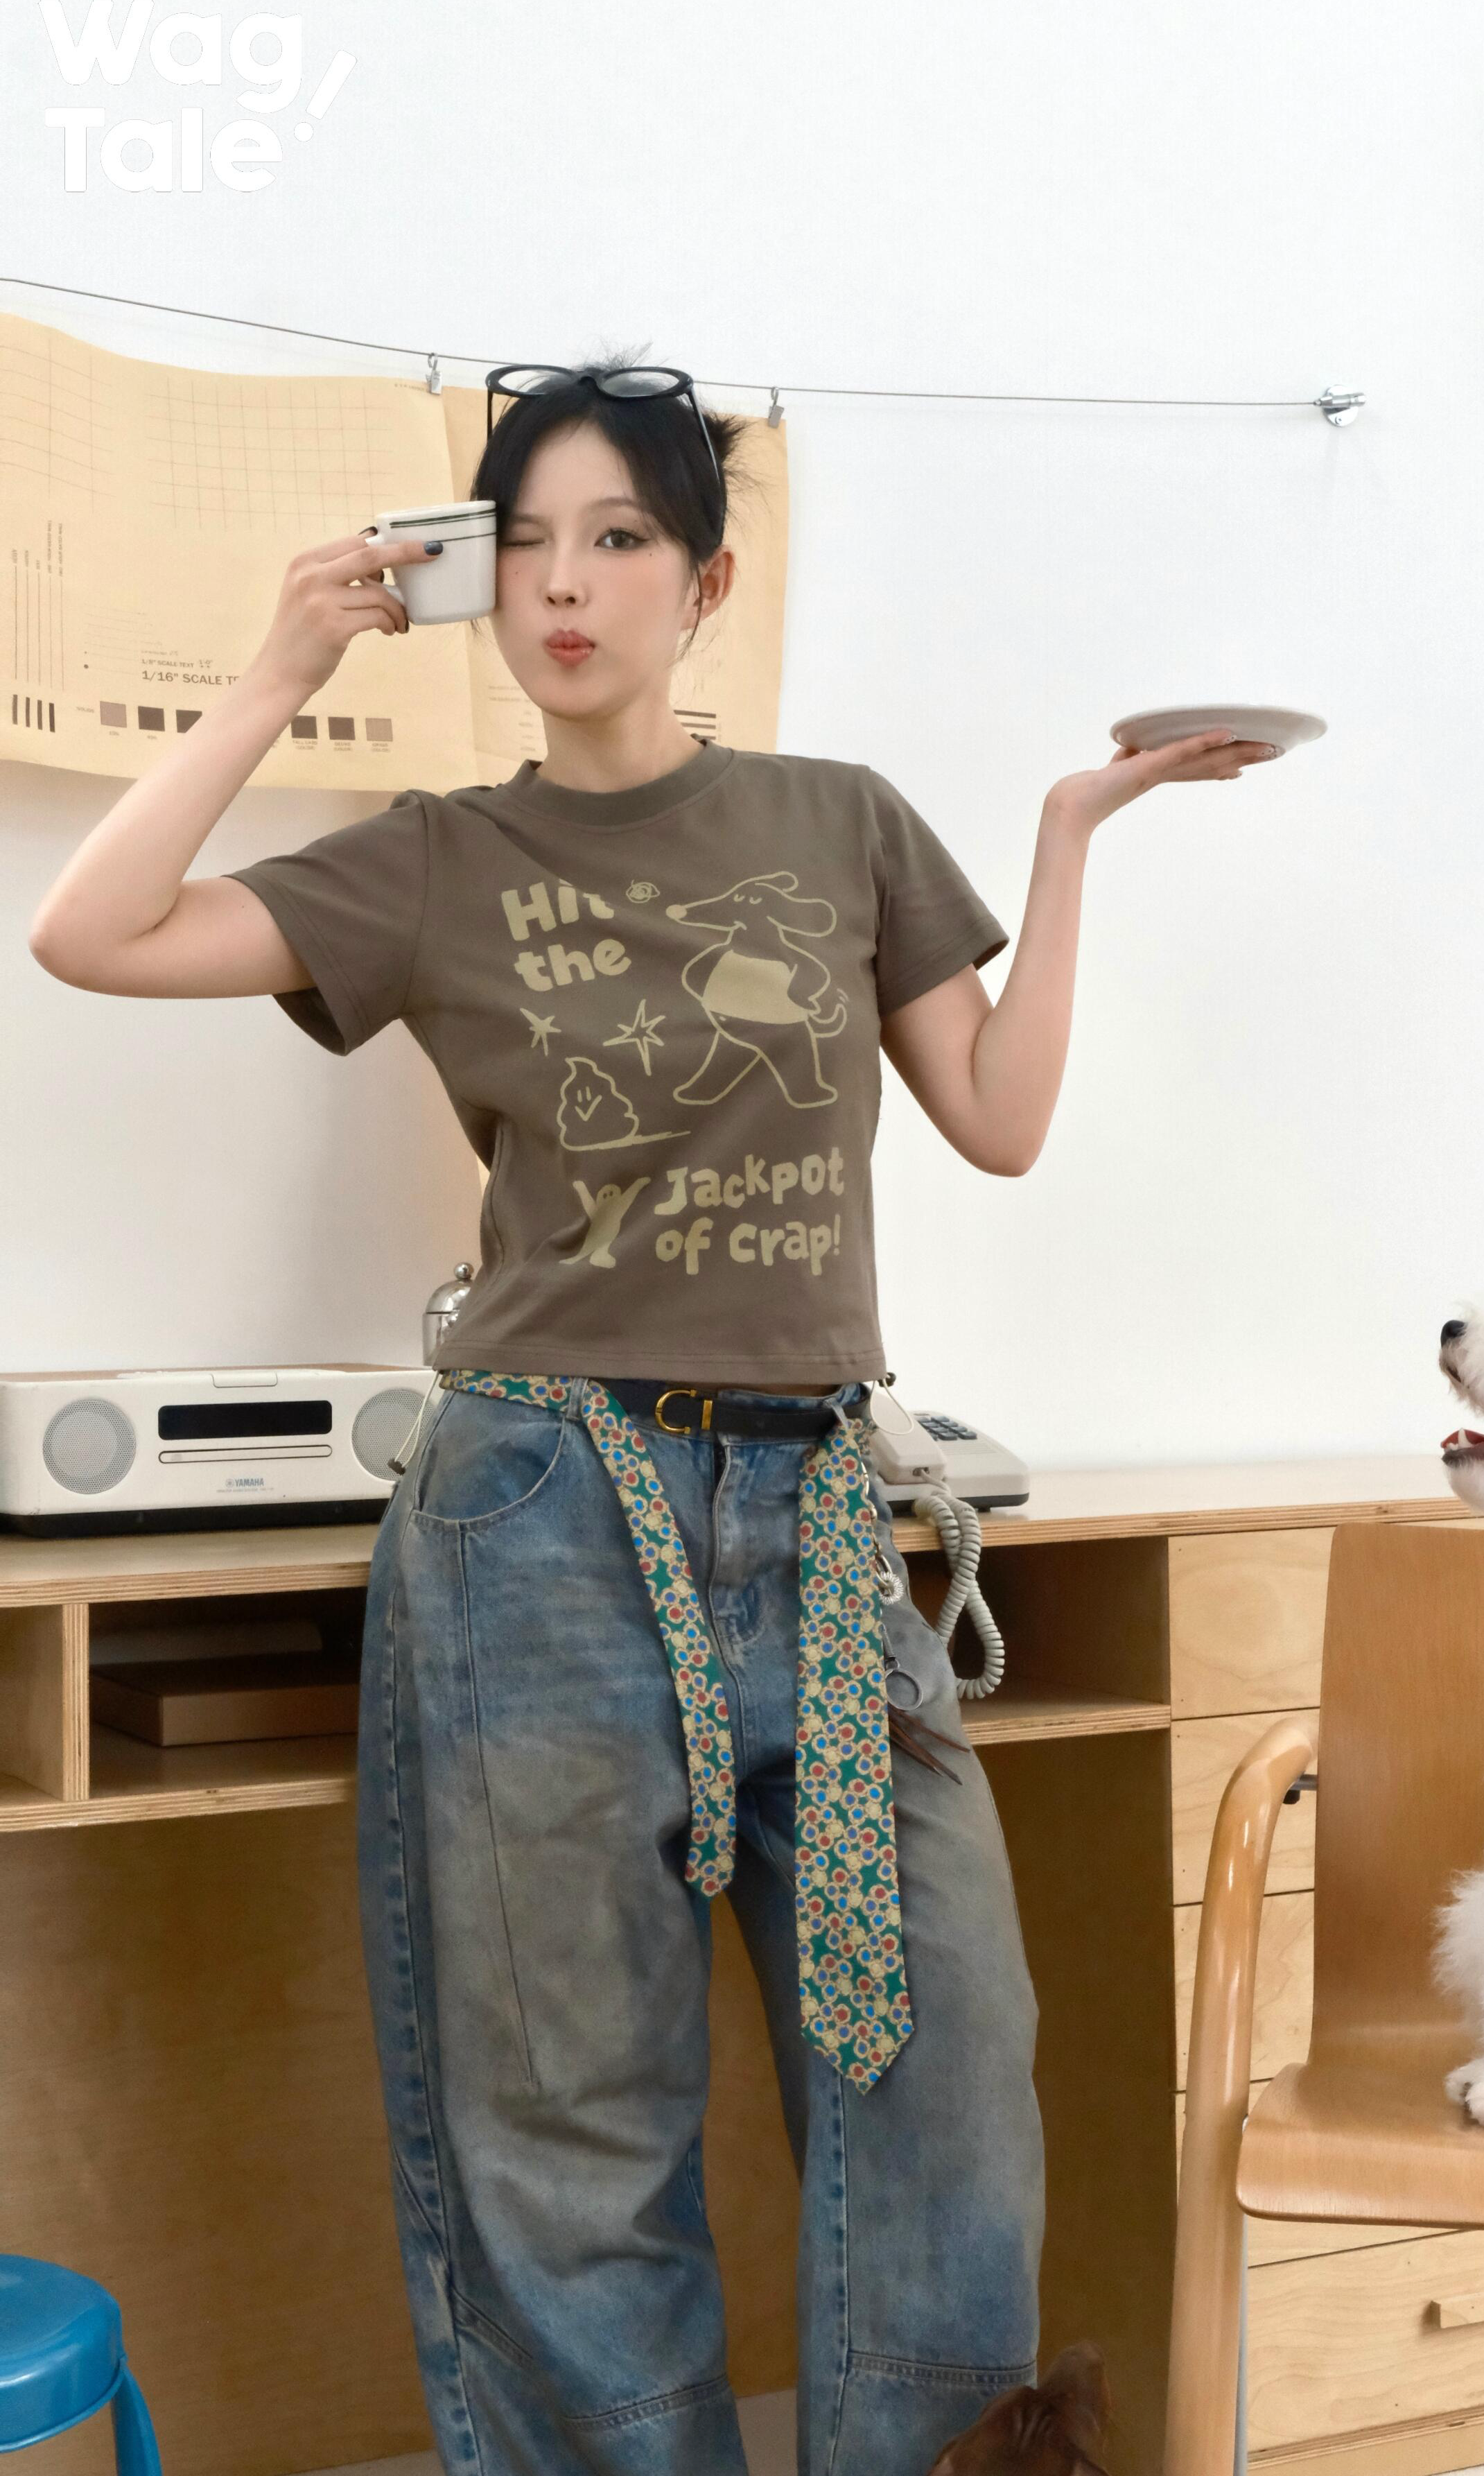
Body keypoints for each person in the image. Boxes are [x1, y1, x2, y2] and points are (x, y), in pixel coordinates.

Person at [26, 355, 1278, 2476]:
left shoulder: (842, 821)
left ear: (705, 582)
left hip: (812, 1505)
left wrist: (1071, 834)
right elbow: (90, 931)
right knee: (566, 2122)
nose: (567, 582)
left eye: (618, 538)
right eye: (524, 542)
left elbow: (999, 1116)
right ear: (479, 591)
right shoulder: (436, 857)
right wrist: (269, 675)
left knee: (940, 2069)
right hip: (541, 1516)